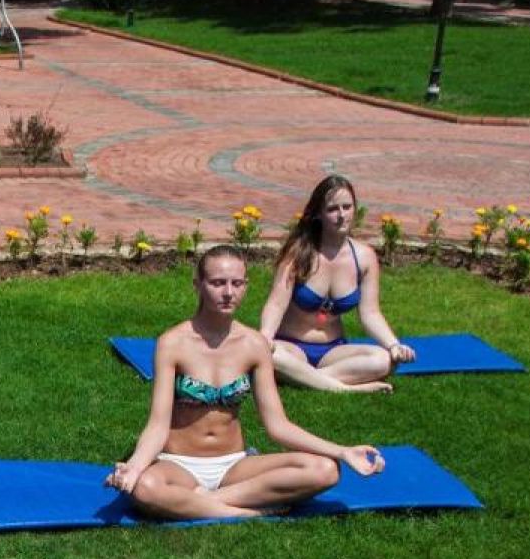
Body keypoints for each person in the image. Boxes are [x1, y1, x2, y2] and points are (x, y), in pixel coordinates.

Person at [109, 245, 385, 521]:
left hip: (234, 465)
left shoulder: (254, 344)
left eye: (237, 283)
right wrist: (135, 467)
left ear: (245, 286)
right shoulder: (172, 343)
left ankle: (204, 502)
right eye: (218, 283)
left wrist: (342, 451)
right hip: (179, 465)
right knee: (145, 487)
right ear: (198, 285)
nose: (228, 292)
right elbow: (158, 425)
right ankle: (245, 513)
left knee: (326, 470)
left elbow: (278, 426)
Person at [258, 175, 415, 394]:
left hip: (333, 350)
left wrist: (393, 344)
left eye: (347, 207)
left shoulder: (365, 257)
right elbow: (276, 303)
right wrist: (265, 336)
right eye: (332, 209)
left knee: (384, 359)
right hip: (291, 346)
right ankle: (346, 389)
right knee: (270, 355)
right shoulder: (299, 253)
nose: (342, 215)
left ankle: (302, 377)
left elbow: (370, 313)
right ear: (318, 214)